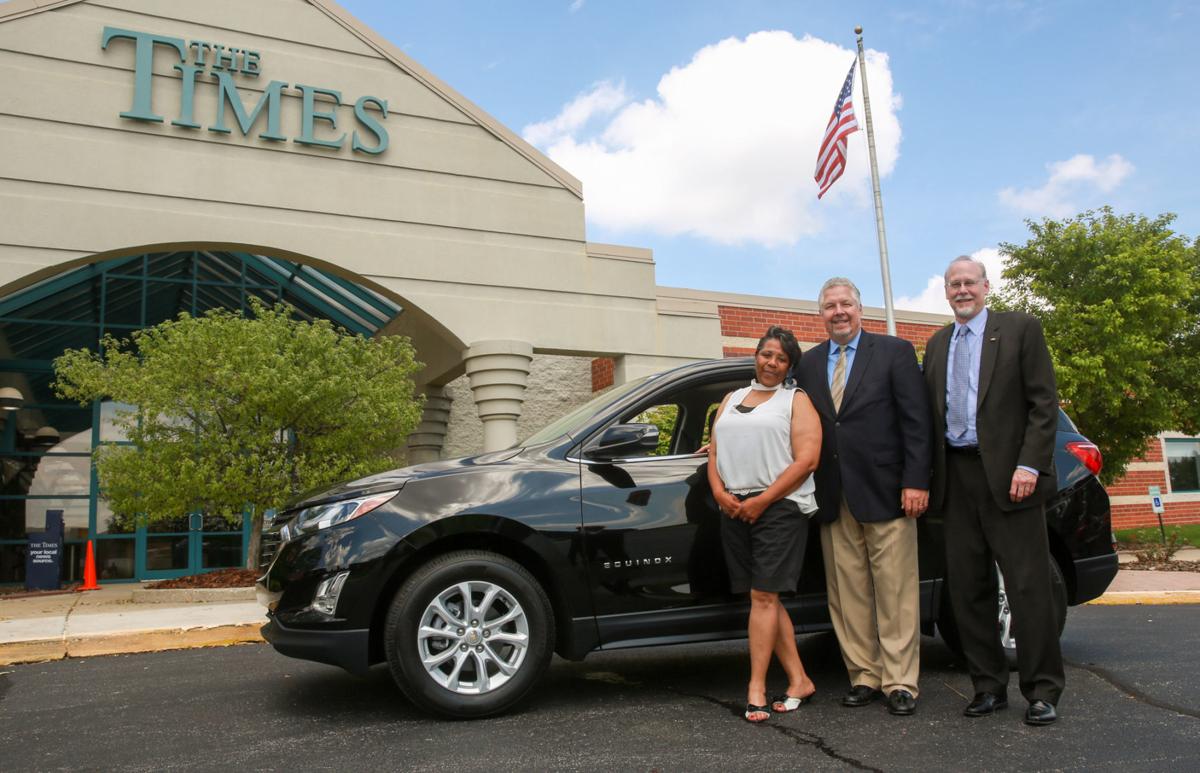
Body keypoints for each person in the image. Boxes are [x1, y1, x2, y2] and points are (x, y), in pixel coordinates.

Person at [923, 255, 1064, 726]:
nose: (961, 290)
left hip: (1010, 478)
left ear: (985, 287)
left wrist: (1029, 463)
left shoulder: (1021, 329)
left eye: (969, 282)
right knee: (968, 589)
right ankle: (987, 687)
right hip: (956, 478)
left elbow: (1044, 403)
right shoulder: (937, 344)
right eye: (953, 284)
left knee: (1028, 587)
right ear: (946, 292)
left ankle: (1042, 691)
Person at [793, 277, 932, 716]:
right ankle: (864, 676)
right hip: (834, 496)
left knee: (895, 591)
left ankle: (899, 681)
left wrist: (916, 481)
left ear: (860, 308)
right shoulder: (810, 364)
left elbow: (917, 422)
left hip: (888, 492)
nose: (839, 312)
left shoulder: (893, 352)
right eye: (830, 305)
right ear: (821, 314)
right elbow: (789, 417)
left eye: (846, 304)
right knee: (847, 594)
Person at [707, 325, 822, 723]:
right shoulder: (731, 398)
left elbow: (807, 461)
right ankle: (800, 680)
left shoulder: (795, 400)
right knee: (763, 599)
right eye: (766, 354)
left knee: (763, 598)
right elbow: (715, 450)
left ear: (789, 366)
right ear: (755, 355)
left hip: (780, 508)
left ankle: (755, 686)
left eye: (781, 358)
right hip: (735, 507)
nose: (771, 363)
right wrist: (720, 492)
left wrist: (763, 500)